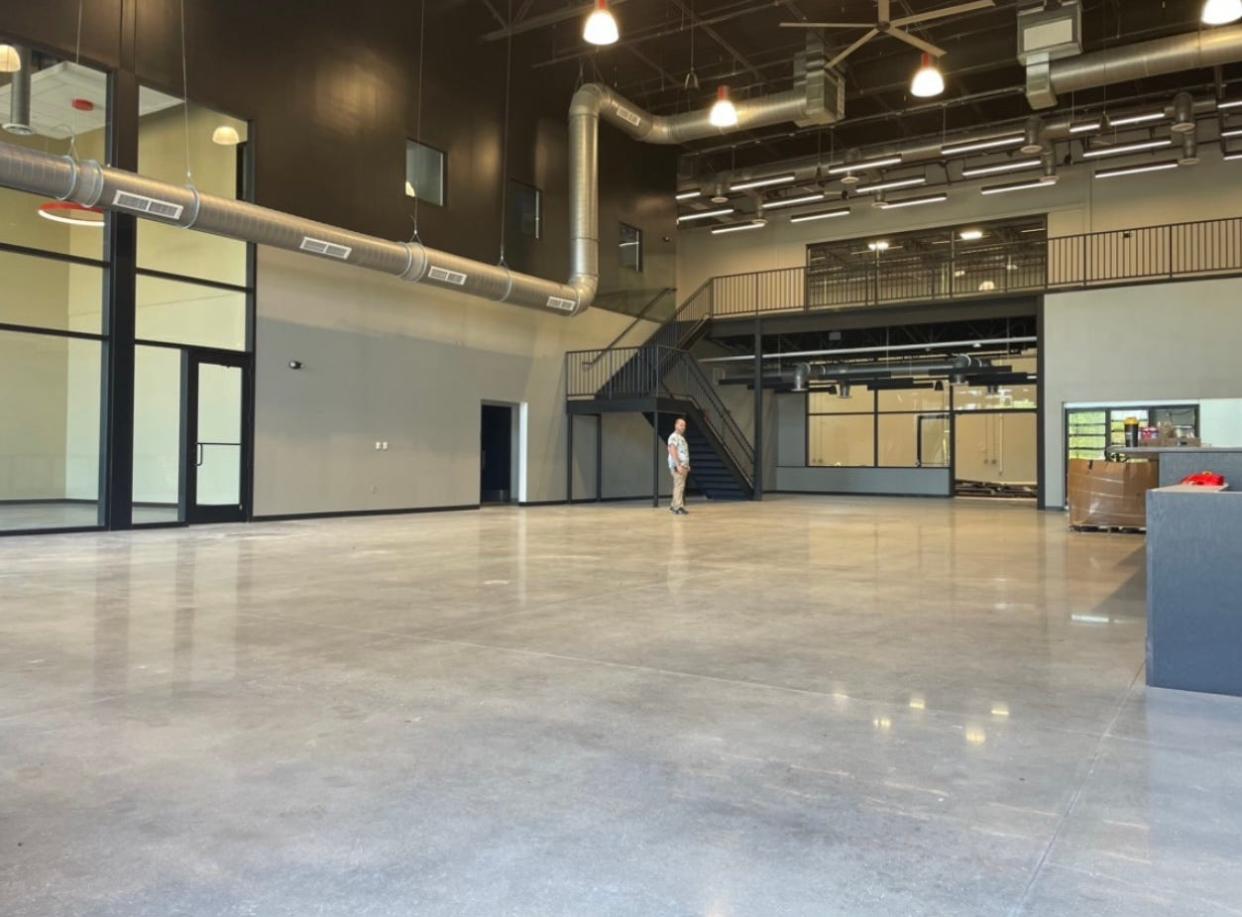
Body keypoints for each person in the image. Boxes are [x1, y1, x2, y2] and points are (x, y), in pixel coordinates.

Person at [666, 418, 690, 515]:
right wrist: (678, 464)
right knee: (679, 486)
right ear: (676, 425)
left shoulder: (681, 438)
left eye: (684, 425)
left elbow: (683, 452)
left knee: (680, 486)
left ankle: (673, 505)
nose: (683, 427)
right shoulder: (673, 437)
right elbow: (672, 449)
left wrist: (687, 465)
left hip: (683, 466)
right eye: (681, 425)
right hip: (678, 466)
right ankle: (678, 507)